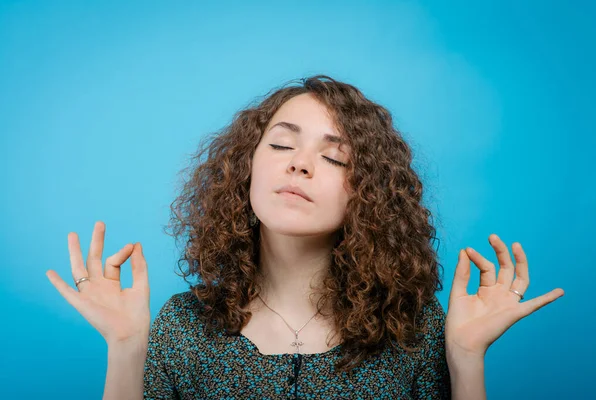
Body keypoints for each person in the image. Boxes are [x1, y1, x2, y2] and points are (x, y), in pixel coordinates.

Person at [46, 75, 564, 399]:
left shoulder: (418, 329)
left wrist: (467, 359)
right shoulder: (183, 326)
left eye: (335, 156)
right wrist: (127, 348)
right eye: (280, 145)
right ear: (245, 169)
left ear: (369, 195)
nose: (299, 163)